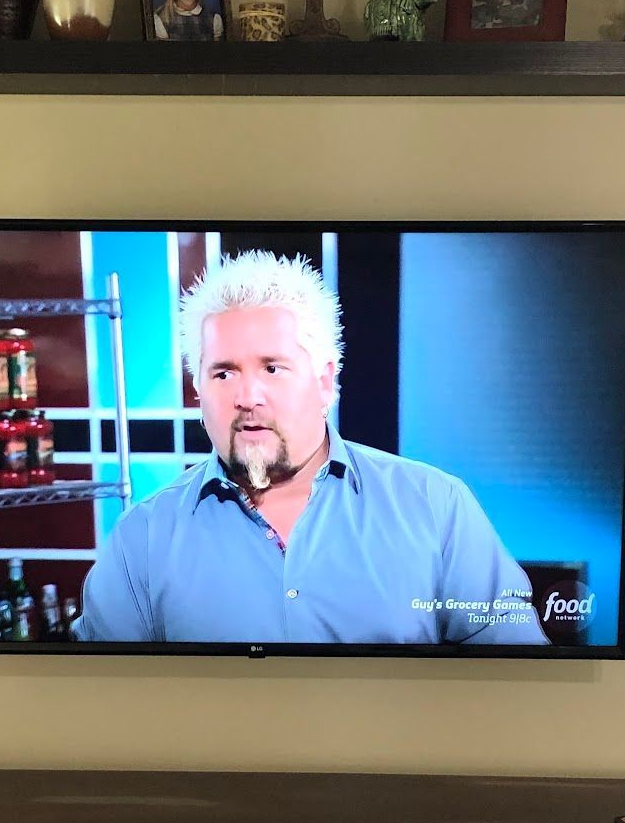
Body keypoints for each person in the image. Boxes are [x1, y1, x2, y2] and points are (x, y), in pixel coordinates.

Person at [75, 251, 547, 646]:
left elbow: (515, 686)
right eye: (224, 372)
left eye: (272, 368)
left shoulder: (435, 506)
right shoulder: (143, 538)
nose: (248, 396)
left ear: (324, 382)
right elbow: (98, 699)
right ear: (198, 390)